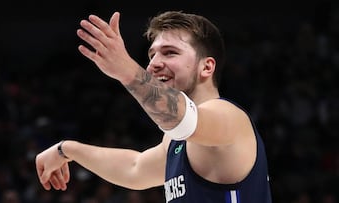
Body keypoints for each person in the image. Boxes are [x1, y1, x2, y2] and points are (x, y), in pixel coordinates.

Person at [35, 10, 273, 202]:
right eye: (151, 56)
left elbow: (182, 120)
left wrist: (126, 70)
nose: (154, 64)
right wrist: (68, 150)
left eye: (170, 53)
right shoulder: (176, 141)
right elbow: (134, 169)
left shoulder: (229, 117)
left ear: (206, 67)